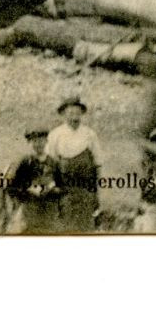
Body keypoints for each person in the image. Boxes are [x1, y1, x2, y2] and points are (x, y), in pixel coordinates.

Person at [44, 94, 102, 231]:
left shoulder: (89, 134)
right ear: (64, 114)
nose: (74, 117)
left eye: (77, 113)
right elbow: (49, 164)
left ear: (82, 114)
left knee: (86, 225)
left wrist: (96, 190)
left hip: (85, 189)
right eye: (70, 113)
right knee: (65, 225)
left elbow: (98, 163)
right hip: (65, 188)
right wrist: (52, 186)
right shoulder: (55, 135)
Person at [0, 124, 61, 233]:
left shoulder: (53, 163)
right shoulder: (25, 162)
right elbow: (11, 186)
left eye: (41, 140)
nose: (38, 144)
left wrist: (52, 188)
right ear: (30, 143)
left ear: (46, 141)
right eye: (35, 141)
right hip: (29, 209)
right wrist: (28, 189)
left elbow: (62, 185)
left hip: (49, 210)